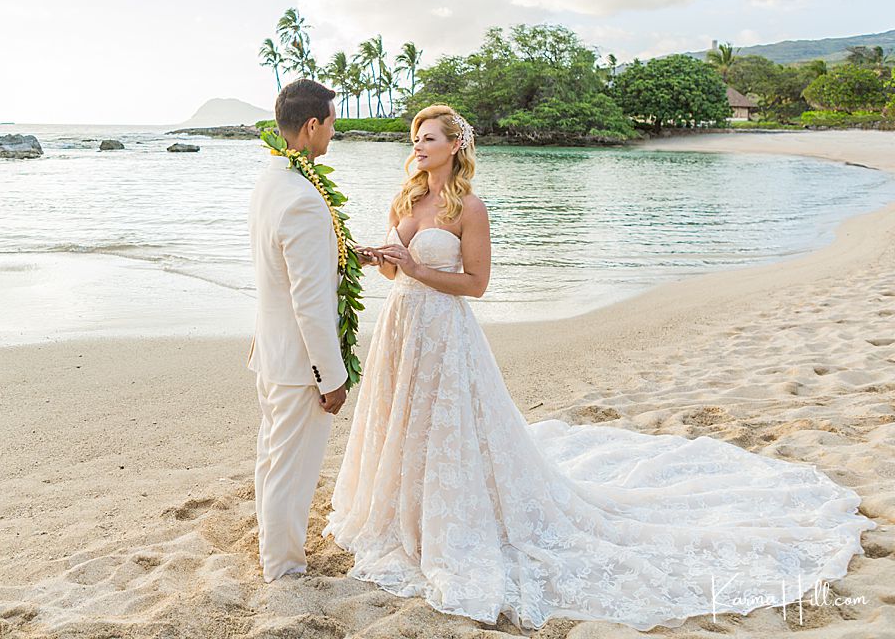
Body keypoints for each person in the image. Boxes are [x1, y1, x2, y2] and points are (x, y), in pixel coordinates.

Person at [324, 104, 875, 631]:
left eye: (430, 137)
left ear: (455, 147)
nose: (418, 145)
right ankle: (403, 512)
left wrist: (416, 267)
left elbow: (476, 285)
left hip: (445, 330)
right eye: (415, 137)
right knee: (402, 420)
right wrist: (383, 263)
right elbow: (399, 278)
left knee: (446, 425)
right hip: (400, 327)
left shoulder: (469, 207)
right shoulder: (403, 200)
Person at [246, 79, 360, 582]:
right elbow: (310, 302)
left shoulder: (270, 182)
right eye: (332, 123)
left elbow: (281, 272)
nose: (334, 133)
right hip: (299, 364)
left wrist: (349, 254)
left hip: (270, 353)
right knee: (291, 472)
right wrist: (330, 375)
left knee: (272, 460)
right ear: (312, 126)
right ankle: (284, 568)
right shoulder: (305, 199)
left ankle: (274, 550)